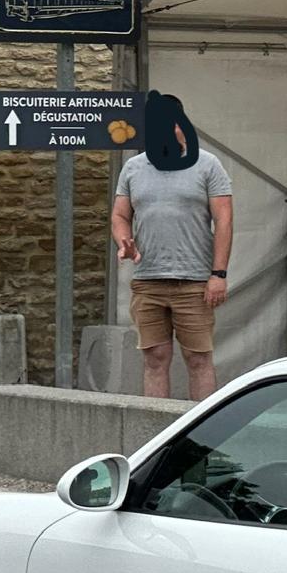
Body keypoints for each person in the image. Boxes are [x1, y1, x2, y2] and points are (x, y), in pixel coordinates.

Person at [111, 93, 234, 401]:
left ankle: (201, 428)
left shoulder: (208, 165)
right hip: (148, 280)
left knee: (198, 359)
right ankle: (156, 427)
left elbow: (224, 220)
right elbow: (120, 215)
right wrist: (124, 242)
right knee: (155, 359)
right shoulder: (133, 167)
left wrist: (218, 274)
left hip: (194, 282)